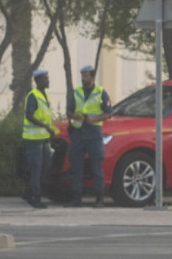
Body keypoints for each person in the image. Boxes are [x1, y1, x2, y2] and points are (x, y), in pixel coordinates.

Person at [66, 64, 113, 208]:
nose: (83, 79)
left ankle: (99, 199)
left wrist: (94, 119)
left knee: (96, 167)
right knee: (76, 167)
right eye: (82, 76)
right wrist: (76, 116)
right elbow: (69, 111)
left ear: (92, 77)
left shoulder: (100, 92)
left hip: (93, 133)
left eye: (85, 76)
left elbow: (108, 113)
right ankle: (76, 199)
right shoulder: (76, 92)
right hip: (78, 133)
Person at [23, 68, 58, 209]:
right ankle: (35, 199)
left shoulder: (44, 95)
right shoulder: (33, 95)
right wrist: (46, 127)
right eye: (45, 78)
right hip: (33, 139)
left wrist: (51, 129)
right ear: (38, 81)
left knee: (45, 167)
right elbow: (29, 115)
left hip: (43, 138)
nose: (47, 80)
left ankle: (28, 193)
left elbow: (45, 116)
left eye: (47, 78)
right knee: (37, 168)